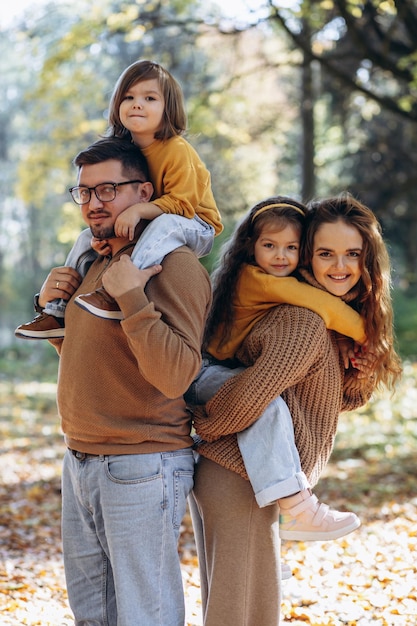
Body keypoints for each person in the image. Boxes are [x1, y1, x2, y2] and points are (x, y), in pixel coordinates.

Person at [189, 193, 402, 626]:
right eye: (325, 253)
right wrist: (205, 427)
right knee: (240, 615)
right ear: (309, 256)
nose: (340, 266)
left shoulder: (313, 317)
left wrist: (358, 369)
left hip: (252, 477)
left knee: (243, 610)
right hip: (239, 477)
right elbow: (251, 400)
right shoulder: (302, 318)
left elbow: (324, 401)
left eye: (353, 254)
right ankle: (302, 513)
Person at [33, 137, 212, 625]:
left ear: (145, 191)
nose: (93, 203)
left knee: (145, 615)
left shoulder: (174, 265)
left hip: (142, 463)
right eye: (85, 192)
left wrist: (134, 299)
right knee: (93, 613)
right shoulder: (98, 261)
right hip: (82, 458)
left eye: (108, 189)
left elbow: (177, 374)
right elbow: (90, 357)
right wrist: (52, 309)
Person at [186, 197, 367, 542]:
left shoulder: (272, 279)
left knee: (271, 409)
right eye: (270, 245)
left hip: (223, 370)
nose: (281, 256)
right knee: (268, 405)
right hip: (204, 372)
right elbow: (326, 307)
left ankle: (276, 543)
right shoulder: (259, 279)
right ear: (252, 247)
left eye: (291, 247)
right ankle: (298, 508)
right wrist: (369, 336)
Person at [15, 59, 222, 339]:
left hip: (195, 223)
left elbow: (183, 206)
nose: (137, 104)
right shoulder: (127, 151)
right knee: (84, 238)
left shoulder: (176, 150)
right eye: (129, 97)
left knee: (167, 225)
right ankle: (56, 311)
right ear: (117, 104)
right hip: (158, 219)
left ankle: (120, 288)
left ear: (168, 108)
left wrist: (138, 211)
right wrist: (108, 239)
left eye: (149, 98)